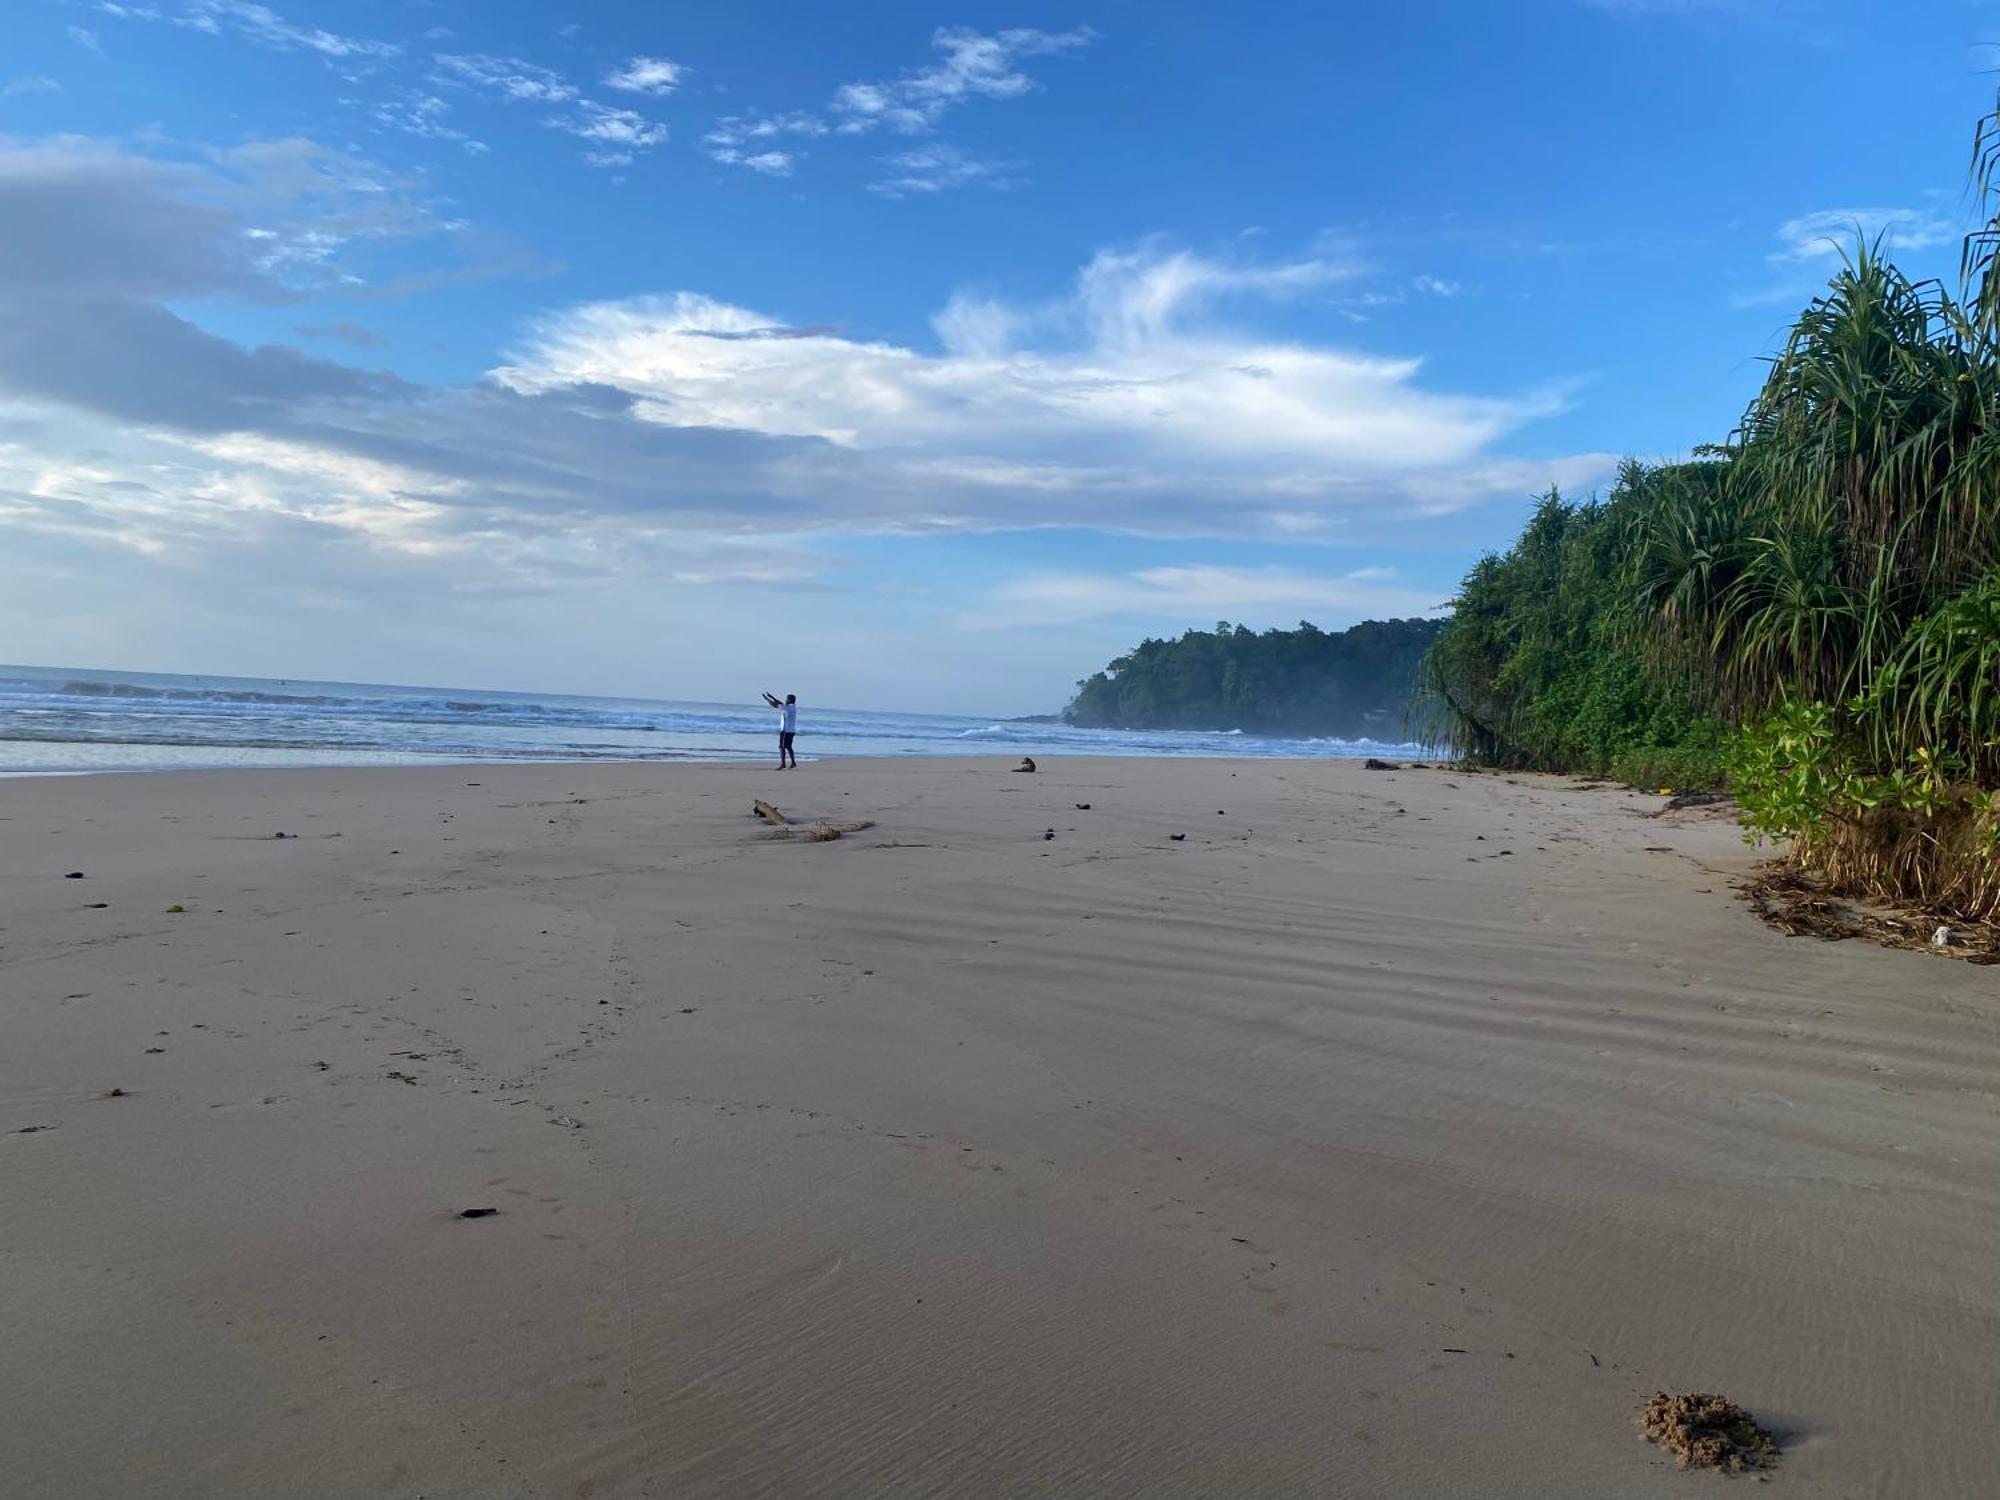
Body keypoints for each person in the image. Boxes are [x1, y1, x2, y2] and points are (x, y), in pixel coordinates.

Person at [761, 691, 798, 769]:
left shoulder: (787, 707)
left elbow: (775, 705)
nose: (785, 700)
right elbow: (780, 703)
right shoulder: (793, 707)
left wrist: (767, 699)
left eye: (787, 699)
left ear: (789, 700)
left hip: (785, 731)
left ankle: (783, 764)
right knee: (788, 747)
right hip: (791, 731)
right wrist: (772, 697)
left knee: (782, 747)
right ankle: (793, 762)